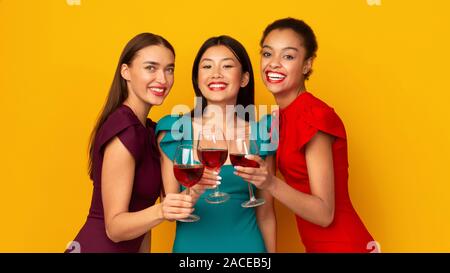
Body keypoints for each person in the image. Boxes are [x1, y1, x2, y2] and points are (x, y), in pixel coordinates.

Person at [234, 18, 375, 252]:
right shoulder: (277, 120)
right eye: (268, 54)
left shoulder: (314, 116)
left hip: (344, 245)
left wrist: (269, 181)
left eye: (288, 56)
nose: (274, 64)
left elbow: (324, 214)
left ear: (307, 64)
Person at [65, 33, 194, 253]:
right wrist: (162, 210)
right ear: (126, 71)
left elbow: (143, 219)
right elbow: (114, 228)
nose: (162, 79)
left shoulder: (149, 130)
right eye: (151, 68)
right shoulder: (124, 129)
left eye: (169, 69)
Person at [156, 35, 276, 253]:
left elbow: (266, 214)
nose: (216, 74)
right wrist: (195, 191)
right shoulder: (174, 131)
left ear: (244, 78)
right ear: (197, 78)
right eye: (207, 66)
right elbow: (169, 211)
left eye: (227, 65)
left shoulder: (262, 133)